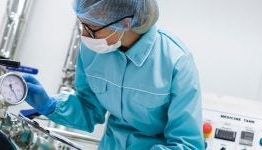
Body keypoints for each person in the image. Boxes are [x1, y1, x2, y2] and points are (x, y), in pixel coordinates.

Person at [22, 0, 204, 149]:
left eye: (92, 27)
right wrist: (50, 105)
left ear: (125, 23)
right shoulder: (92, 51)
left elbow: (187, 144)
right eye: (82, 24)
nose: (85, 35)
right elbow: (90, 108)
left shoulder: (177, 63)